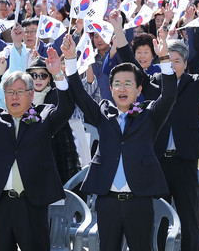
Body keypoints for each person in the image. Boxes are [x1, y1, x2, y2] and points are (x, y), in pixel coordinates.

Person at [111, 9, 199, 251]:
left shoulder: (196, 85)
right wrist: (118, 29)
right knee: (160, 217)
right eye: (168, 59)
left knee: (188, 217)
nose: (172, 64)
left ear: (185, 63)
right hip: (158, 160)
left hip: (185, 160)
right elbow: (130, 62)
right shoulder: (153, 87)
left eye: (177, 60)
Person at [66, 32, 177, 251]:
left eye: (128, 83)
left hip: (139, 201)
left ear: (139, 90)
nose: (122, 88)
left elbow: (170, 95)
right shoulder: (102, 114)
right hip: (108, 201)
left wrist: (164, 59)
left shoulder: (149, 115)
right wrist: (70, 58)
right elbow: (79, 94)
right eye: (117, 84)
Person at [0, 44, 74, 251]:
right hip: (1, 201)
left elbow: (66, 107)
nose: (14, 97)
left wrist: (57, 74)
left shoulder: (44, 117)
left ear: (31, 95)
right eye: (9, 92)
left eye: (20, 92)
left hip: (32, 201)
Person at [26, 56, 81, 184]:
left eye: (43, 76)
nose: (38, 79)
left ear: (49, 78)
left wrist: (58, 74)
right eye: (34, 75)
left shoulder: (56, 95)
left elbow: (68, 106)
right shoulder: (24, 97)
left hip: (55, 152)